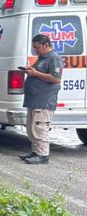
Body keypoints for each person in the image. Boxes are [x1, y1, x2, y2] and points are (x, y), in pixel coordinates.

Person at [19, 33, 63, 164]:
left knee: (40, 127)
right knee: (32, 128)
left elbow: (56, 78)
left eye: (37, 47)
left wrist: (35, 73)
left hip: (44, 101)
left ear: (46, 45)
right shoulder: (42, 58)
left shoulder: (54, 58)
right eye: (34, 48)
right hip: (34, 100)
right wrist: (31, 71)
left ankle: (43, 155)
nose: (35, 50)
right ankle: (35, 151)